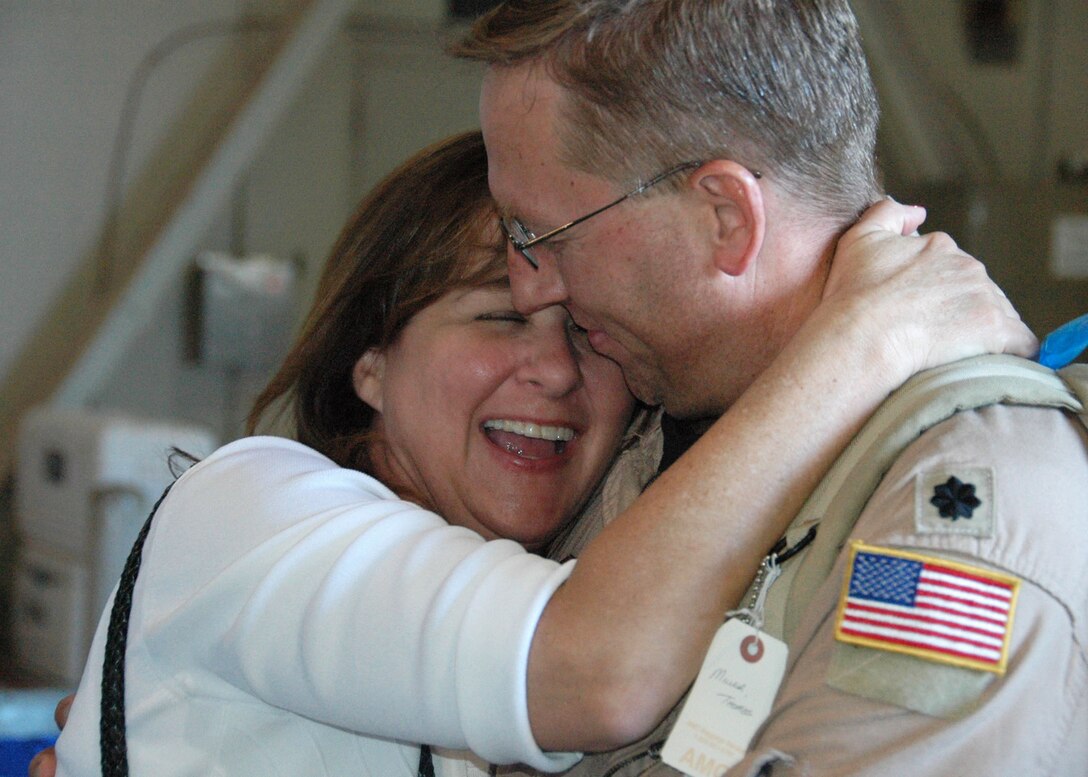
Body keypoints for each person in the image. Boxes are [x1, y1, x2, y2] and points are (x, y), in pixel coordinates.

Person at [36, 121, 1033, 777]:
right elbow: (592, 672)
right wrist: (863, 339)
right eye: (496, 319)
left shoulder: (559, 577)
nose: (553, 372)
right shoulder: (249, 506)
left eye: (588, 335)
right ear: (368, 363)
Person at [454, 1, 1086, 774]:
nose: (529, 290)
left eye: (542, 236)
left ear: (725, 216)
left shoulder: (963, 508)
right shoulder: (639, 418)